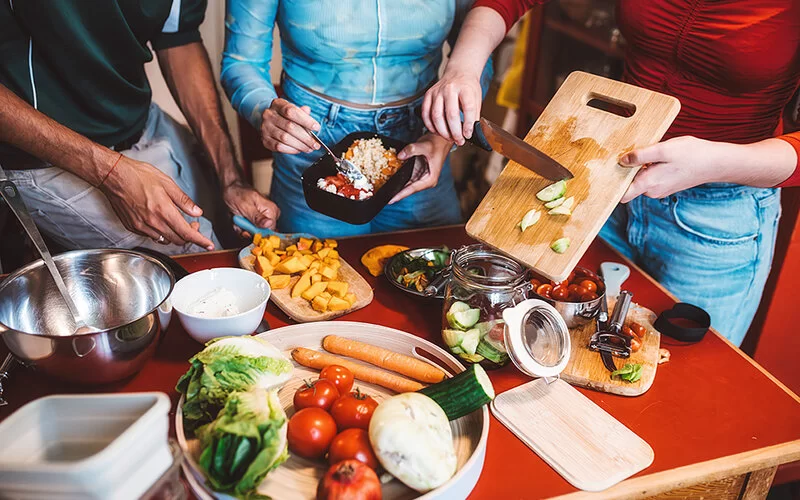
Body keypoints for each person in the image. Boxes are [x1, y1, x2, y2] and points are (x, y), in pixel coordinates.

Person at [420, 0, 800, 346]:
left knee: (681, 372)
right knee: (566, 344)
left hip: (717, 219)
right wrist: (462, 68)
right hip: (606, 183)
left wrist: (716, 162)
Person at [0, 0, 279, 255]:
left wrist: (231, 179)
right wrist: (111, 173)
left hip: (140, 121)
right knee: (203, 263)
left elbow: (177, 39)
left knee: (234, 236)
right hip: (39, 155)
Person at [221, 0, 492, 238]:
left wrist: (443, 136)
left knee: (431, 276)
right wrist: (264, 111)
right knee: (315, 282)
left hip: (423, 144)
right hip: (312, 145)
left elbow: (476, 57)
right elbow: (241, 61)